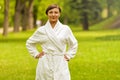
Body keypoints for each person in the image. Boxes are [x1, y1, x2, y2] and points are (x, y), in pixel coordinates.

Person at [26, 4, 78, 80]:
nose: (53, 15)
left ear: (59, 14)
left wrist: (69, 55)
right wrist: (36, 54)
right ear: (47, 14)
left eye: (56, 12)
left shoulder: (65, 29)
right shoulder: (41, 30)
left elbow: (74, 44)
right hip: (45, 62)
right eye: (51, 12)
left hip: (60, 61)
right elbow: (29, 43)